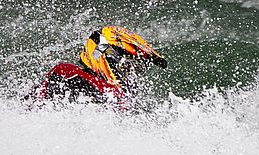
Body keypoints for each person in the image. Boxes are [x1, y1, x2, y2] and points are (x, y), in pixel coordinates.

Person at [33, 26, 167, 104]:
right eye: (128, 66)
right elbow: (97, 41)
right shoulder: (69, 73)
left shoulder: (65, 71)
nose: (131, 73)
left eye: (137, 69)